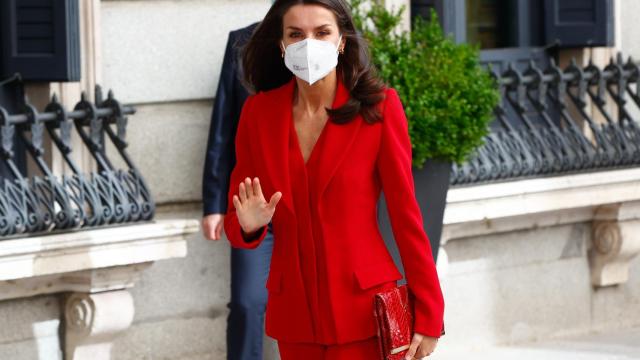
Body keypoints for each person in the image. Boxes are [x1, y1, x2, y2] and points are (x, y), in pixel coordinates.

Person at [223, 0, 445, 359]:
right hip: (295, 316)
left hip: (365, 312)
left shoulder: (380, 108)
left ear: (342, 41)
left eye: (322, 32)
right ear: (281, 45)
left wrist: (429, 314)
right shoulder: (258, 115)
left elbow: (407, 218)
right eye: (296, 34)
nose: (308, 43)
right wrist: (249, 226)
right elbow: (238, 224)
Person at [201, 20, 275, 360]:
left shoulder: (331, 36)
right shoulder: (243, 42)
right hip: (252, 205)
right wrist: (214, 202)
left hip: (309, 207)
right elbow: (223, 123)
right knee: (247, 302)